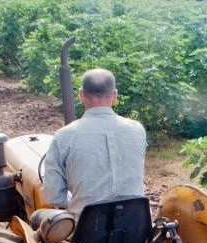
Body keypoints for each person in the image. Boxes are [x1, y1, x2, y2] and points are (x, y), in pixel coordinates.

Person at [41, 68, 147, 220]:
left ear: (81, 95)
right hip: (136, 227)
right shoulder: (137, 130)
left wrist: (78, 202)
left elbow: (53, 197)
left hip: (87, 234)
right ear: (115, 96)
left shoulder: (63, 136)